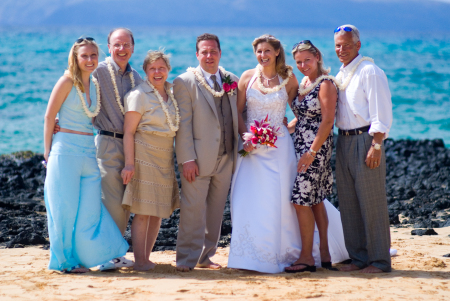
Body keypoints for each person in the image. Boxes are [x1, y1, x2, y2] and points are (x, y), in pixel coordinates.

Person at [228, 35, 349, 274]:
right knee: (248, 197)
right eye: (259, 51)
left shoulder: (288, 78)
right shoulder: (246, 78)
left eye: (267, 51)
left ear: (276, 53)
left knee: (284, 199)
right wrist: (246, 136)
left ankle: (294, 251)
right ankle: (251, 252)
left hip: (280, 148)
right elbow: (238, 113)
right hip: (252, 150)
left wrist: (286, 125)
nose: (262, 56)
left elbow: (302, 109)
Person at [55, 28, 143, 268]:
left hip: (133, 145)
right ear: (109, 47)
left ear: (133, 47)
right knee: (111, 201)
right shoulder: (98, 71)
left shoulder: (137, 77)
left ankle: (114, 251)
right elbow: (74, 88)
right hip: (106, 142)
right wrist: (57, 122)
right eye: (116, 45)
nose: (121, 49)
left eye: (126, 44)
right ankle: (107, 254)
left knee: (126, 202)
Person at [173, 33, 239, 272]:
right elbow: (183, 125)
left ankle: (206, 256)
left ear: (220, 53)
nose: (209, 56)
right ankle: (185, 259)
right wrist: (187, 159)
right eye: (204, 52)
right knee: (192, 210)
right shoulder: (184, 81)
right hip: (197, 159)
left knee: (215, 211)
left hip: (226, 157)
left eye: (213, 51)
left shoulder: (232, 79)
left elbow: (239, 115)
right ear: (197, 55)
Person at [284, 40, 349, 273]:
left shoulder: (326, 84)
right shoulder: (304, 82)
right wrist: (285, 127)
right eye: (299, 62)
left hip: (316, 149)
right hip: (300, 144)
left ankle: (306, 257)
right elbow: (302, 118)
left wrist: (311, 153)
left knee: (300, 200)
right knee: (316, 199)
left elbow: (327, 121)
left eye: (307, 60)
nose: (303, 65)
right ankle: (324, 252)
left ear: (318, 56)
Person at [333, 24, 393, 273]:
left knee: (372, 202)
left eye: (347, 45)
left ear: (358, 45)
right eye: (337, 45)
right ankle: (358, 258)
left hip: (365, 140)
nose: (342, 49)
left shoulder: (370, 71)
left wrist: (376, 145)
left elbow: (382, 112)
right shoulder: (342, 73)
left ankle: (379, 261)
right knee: (348, 202)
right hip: (343, 140)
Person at [120, 50, 180, 271]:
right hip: (144, 153)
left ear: (168, 70)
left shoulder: (172, 93)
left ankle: (146, 257)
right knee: (143, 209)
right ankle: (139, 260)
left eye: (161, 68)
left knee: (158, 210)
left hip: (165, 155)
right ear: (145, 71)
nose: (157, 72)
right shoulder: (138, 94)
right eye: (153, 68)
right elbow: (129, 132)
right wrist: (129, 163)